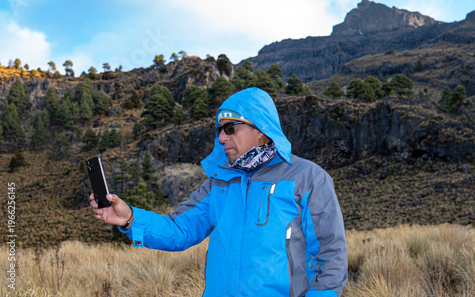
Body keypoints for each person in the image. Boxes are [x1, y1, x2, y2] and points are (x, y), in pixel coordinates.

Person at [91, 87, 348, 296]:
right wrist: (129, 219)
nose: (222, 138)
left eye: (230, 128)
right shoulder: (218, 184)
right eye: (219, 130)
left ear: (260, 129)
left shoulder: (308, 178)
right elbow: (179, 231)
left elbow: (331, 254)